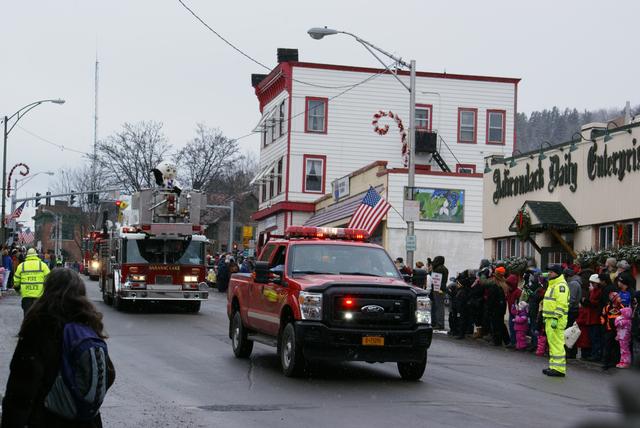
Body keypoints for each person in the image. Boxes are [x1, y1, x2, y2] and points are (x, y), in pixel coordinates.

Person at [1, 268, 116, 427]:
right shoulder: (87, 324)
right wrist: (76, 396)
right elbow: (108, 374)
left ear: (48, 290)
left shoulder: (40, 325)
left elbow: (22, 387)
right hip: (87, 421)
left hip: (47, 418)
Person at [542, 264, 569, 377]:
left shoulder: (560, 286)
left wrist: (555, 317)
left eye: (551, 272)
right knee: (553, 344)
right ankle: (554, 366)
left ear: (557, 273)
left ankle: (559, 369)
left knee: (557, 344)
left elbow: (561, 304)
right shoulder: (553, 284)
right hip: (550, 318)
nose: (549, 273)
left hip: (556, 319)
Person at [13, 248, 50, 316]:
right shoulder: (43, 265)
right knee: (39, 316)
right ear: (36, 255)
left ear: (27, 256)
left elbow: (16, 281)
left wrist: (18, 289)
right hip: (39, 296)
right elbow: (49, 279)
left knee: (27, 316)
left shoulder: (21, 266)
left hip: (26, 295)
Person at [601, 291, 623, 370]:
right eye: (618, 297)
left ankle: (615, 363)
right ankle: (605, 363)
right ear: (614, 299)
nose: (620, 298)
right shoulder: (607, 307)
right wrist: (603, 325)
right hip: (609, 330)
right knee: (607, 347)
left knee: (617, 348)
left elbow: (624, 317)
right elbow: (603, 317)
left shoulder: (622, 307)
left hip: (618, 331)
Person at [430, 256, 448, 330]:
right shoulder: (445, 268)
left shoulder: (438, 269)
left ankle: (439, 323)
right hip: (442, 289)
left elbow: (435, 280)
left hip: (437, 289)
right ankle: (439, 323)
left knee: (438, 307)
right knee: (439, 306)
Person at [505, 273, 522, 349]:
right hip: (511, 312)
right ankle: (513, 342)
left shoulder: (518, 292)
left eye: (509, 285)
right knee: (511, 327)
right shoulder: (509, 291)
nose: (508, 287)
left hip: (517, 313)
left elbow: (520, 302)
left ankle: (517, 343)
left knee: (517, 329)